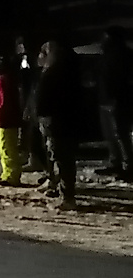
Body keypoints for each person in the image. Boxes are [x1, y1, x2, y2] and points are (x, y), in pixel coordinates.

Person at [35, 40, 80, 210]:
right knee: (55, 155)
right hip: (56, 121)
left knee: (62, 158)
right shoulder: (55, 71)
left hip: (59, 122)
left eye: (44, 52)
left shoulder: (58, 73)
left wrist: (45, 115)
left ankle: (68, 196)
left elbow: (51, 98)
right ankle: (58, 186)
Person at [97, 26, 132, 179]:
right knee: (111, 134)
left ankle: (127, 164)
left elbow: (119, 79)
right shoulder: (109, 54)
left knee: (120, 133)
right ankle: (116, 162)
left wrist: (114, 96)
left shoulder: (121, 55)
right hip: (108, 99)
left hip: (117, 99)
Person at [0, 57, 24, 186]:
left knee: (8, 149)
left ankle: (11, 175)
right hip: (5, 121)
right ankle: (7, 173)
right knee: (6, 149)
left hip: (5, 121)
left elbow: (3, 103)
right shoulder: (7, 82)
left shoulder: (4, 83)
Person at [15, 36, 45, 173]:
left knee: (35, 133)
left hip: (34, 103)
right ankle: (30, 157)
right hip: (27, 99)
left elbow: (31, 82)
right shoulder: (22, 60)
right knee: (29, 131)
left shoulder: (36, 66)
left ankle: (37, 160)